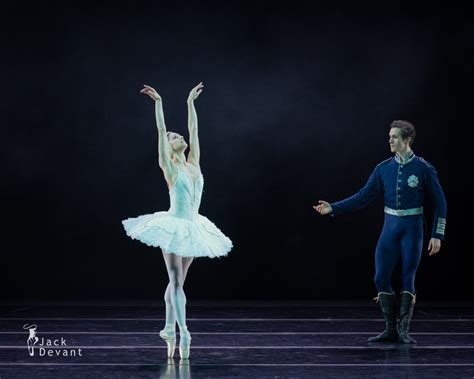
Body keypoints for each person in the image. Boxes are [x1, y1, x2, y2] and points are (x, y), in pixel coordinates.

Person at [122, 83, 233, 358]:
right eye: (174, 136)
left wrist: (189, 103)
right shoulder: (169, 167)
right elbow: (160, 130)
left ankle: (169, 329)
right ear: (169, 148)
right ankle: (184, 332)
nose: (178, 135)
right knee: (175, 279)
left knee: (177, 282)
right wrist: (158, 102)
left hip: (194, 226)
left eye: (177, 134)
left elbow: (194, 131)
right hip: (173, 225)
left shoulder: (194, 163)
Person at [314, 120, 446, 344]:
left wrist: (437, 234)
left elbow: (440, 203)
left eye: (394, 137)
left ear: (407, 140)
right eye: (390, 136)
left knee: (408, 277)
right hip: (390, 227)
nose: (390, 140)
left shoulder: (424, 168)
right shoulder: (383, 168)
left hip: (413, 228)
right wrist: (333, 207)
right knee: (380, 276)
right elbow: (363, 197)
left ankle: (403, 330)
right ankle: (390, 329)